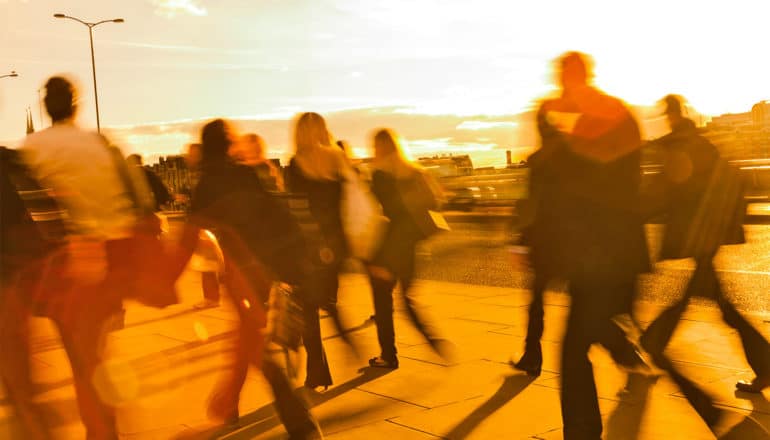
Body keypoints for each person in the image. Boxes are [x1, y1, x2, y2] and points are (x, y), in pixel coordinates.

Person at [171, 119, 322, 438]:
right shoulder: (245, 174)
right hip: (269, 268)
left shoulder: (208, 184)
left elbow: (188, 238)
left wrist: (162, 279)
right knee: (247, 338)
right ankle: (231, 407)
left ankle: (303, 426)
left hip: (246, 274)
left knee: (259, 350)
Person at [532, 52, 652, 439]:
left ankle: (582, 431)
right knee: (585, 333)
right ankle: (621, 347)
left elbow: (565, 186)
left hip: (595, 252)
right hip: (613, 250)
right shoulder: (618, 113)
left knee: (572, 350)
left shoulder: (579, 123)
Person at [19, 75, 139, 440]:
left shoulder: (32, 148)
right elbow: (130, 204)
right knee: (96, 357)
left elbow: (25, 212)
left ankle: (101, 431)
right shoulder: (99, 145)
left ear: (46, 107)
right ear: (75, 106)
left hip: (63, 270)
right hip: (110, 264)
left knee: (84, 362)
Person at [638, 95, 770, 423]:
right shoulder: (699, 142)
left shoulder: (681, 145)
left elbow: (669, 188)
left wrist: (632, 212)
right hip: (707, 238)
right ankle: (765, 365)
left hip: (699, 239)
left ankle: (652, 343)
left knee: (699, 304)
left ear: (670, 115)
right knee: (720, 306)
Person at [365, 128, 451, 369]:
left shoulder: (380, 175)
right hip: (411, 245)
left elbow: (376, 213)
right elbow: (434, 205)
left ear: (379, 148)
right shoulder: (415, 173)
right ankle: (432, 339)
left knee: (383, 303)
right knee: (407, 299)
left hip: (388, 248)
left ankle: (388, 355)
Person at [285, 112, 355, 389]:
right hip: (338, 243)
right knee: (326, 299)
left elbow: (297, 209)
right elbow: (350, 201)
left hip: (309, 245)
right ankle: (346, 335)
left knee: (308, 311)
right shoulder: (338, 159)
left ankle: (318, 371)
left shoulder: (295, 164)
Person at [185, 143, 225, 309]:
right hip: (206, 223)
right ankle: (212, 297)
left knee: (208, 263)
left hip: (207, 223)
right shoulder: (199, 174)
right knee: (207, 262)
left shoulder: (204, 174)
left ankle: (212, 298)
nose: (188, 156)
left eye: (192, 153)